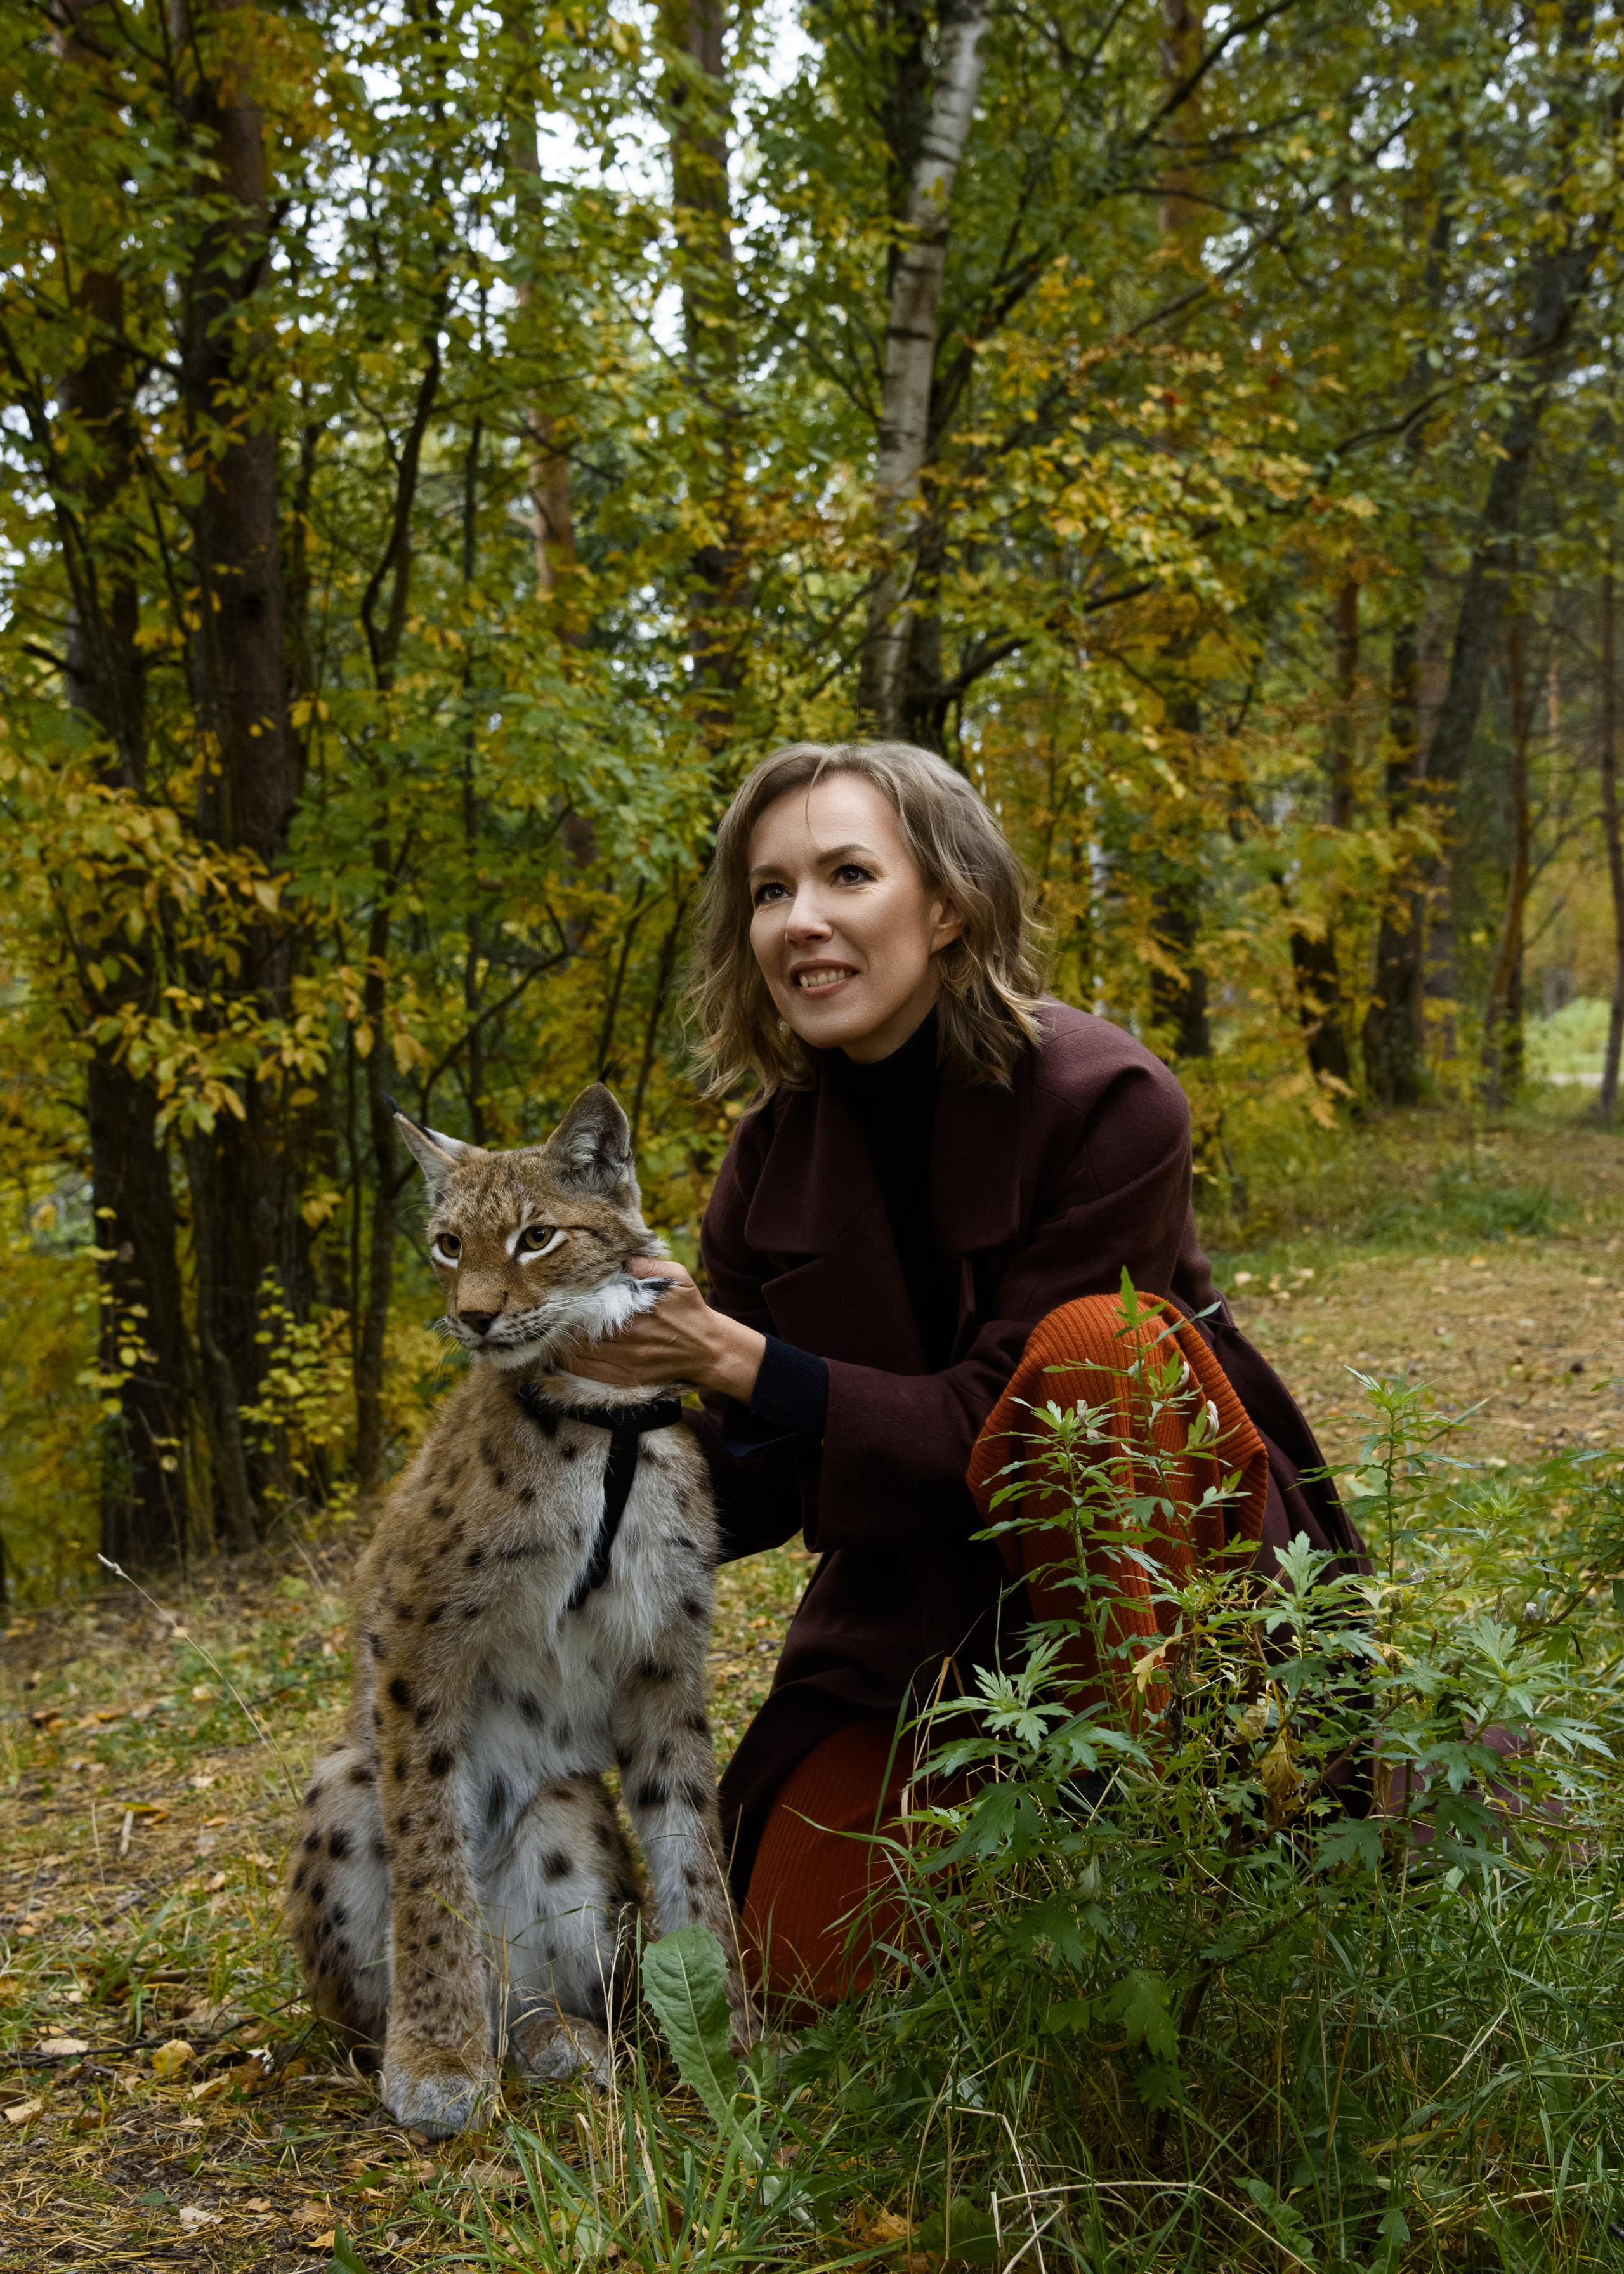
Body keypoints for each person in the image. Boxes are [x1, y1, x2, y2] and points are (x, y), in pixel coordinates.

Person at [568, 739, 1363, 2000]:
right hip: (923, 1620)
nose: (802, 922)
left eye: (845, 874)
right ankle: (1007, 1856)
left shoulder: (1110, 1100)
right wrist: (600, 1414)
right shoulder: (764, 1162)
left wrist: (733, 1351)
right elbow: (759, 1493)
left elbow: (988, 1423)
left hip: (1162, 1579)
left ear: (945, 903)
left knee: (1095, 1348)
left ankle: (1155, 1830)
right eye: (770, 891)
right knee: (789, 1956)